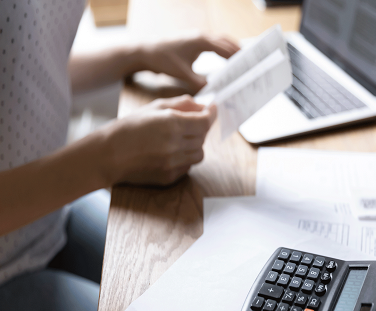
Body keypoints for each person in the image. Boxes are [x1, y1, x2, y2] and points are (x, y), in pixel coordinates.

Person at [0, 1, 239, 310]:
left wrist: (138, 55)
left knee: (212, 284)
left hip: (51, 214)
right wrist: (107, 156)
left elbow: (24, 64)